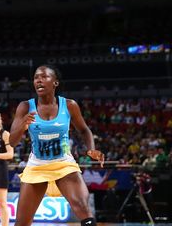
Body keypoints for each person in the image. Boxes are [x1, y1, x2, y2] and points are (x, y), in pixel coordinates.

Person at [9, 65, 104, 226]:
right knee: (22, 223)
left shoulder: (69, 105)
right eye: (36, 77)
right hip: (37, 165)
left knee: (82, 207)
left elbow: (84, 130)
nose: (39, 80)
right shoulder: (25, 107)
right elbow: (12, 141)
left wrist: (92, 149)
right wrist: (22, 125)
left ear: (55, 82)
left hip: (63, 164)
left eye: (44, 76)